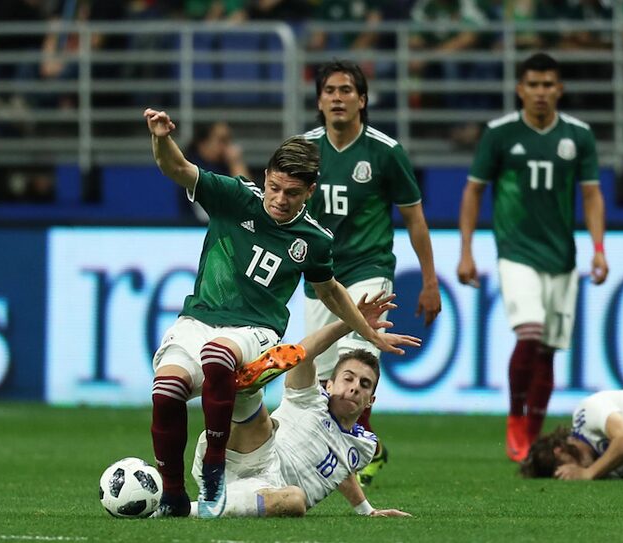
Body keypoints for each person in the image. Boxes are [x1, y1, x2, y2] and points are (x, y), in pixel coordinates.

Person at [143, 108, 410, 518]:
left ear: (310, 191)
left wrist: (369, 334)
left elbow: (330, 291)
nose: (279, 200)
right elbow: (175, 167)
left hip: (256, 331)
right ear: (264, 178)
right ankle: (175, 497)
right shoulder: (234, 196)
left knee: (219, 356)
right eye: (273, 187)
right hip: (197, 320)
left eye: (291, 193)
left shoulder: (315, 241)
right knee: (166, 388)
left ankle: (213, 471)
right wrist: (161, 138)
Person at [456, 52, 609, 463]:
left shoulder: (578, 135)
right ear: (520, 89)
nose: (541, 92)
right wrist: (466, 250)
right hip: (516, 251)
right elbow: (473, 191)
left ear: (559, 89)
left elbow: (592, 194)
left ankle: (533, 434)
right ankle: (515, 415)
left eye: (548, 85)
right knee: (531, 333)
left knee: (548, 350)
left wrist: (598, 249)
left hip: (561, 256)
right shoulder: (500, 133)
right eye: (533, 85)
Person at [302, 60, 442, 487]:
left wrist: (430, 280)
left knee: (357, 362)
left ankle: (355, 457)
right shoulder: (303, 150)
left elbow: (415, 219)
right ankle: (358, 447)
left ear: (362, 100)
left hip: (369, 270)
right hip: (321, 278)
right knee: (324, 380)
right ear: (320, 101)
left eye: (347, 90)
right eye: (330, 91)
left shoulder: (385, 152)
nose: (338, 98)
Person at [184, 292, 417, 517]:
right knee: (265, 426)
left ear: (370, 401)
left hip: (267, 491)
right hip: (240, 455)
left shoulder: (364, 446)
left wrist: (367, 510)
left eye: (365, 384)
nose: (355, 387)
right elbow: (303, 354)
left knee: (296, 500)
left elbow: (341, 470)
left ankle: (194, 508)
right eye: (348, 378)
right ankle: (242, 389)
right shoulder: (309, 399)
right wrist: (350, 322)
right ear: (330, 385)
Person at [183, 121, 250, 223]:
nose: (228, 147)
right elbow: (247, 200)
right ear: (203, 144)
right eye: (222, 141)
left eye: (229, 141)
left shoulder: (224, 167)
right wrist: (236, 163)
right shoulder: (195, 170)